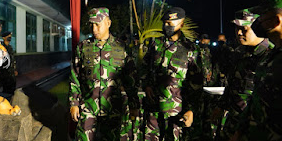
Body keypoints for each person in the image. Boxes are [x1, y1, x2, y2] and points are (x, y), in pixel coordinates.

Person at [69, 7, 139, 141]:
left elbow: (131, 77)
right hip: (88, 108)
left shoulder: (121, 47)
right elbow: (75, 76)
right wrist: (74, 103)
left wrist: (134, 105)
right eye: (91, 25)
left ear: (108, 23)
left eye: (97, 24)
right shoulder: (83, 47)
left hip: (114, 109)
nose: (94, 29)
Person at [210, 9, 273, 141]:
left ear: (258, 27)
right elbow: (232, 83)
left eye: (244, 28)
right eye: (237, 28)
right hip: (231, 122)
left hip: (255, 128)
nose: (239, 33)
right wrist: (221, 106)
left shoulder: (271, 56)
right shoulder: (239, 52)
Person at [142, 7, 202, 141]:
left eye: (170, 23)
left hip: (176, 111)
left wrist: (191, 109)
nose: (166, 26)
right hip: (154, 108)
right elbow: (144, 68)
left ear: (181, 23)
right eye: (165, 23)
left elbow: (196, 82)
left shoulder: (190, 49)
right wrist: (147, 85)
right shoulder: (155, 45)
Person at [232, 0, 282, 140]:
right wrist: (240, 130)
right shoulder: (272, 55)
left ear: (276, 20)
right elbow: (257, 99)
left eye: (261, 16)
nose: (257, 22)